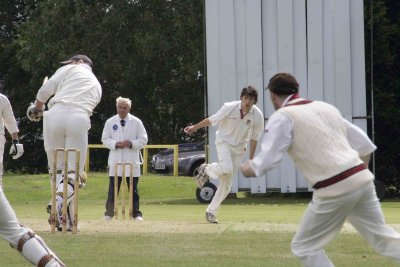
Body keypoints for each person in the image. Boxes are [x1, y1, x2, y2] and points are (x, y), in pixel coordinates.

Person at [240, 72, 400, 266]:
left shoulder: (282, 117)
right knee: (384, 239)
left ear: (272, 95)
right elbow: (365, 146)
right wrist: (356, 177)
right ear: (297, 90)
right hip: (362, 180)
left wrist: (250, 168)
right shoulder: (325, 108)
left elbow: (269, 159)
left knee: (304, 247)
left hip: (333, 188)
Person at [27, 54, 102, 231]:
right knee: (75, 173)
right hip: (79, 118)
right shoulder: (97, 85)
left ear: (80, 61)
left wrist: (36, 108)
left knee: (57, 170)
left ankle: (61, 216)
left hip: (54, 116)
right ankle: (59, 205)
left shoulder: (69, 68)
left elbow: (47, 89)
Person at [0, 94, 65, 266]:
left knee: (15, 231)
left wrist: (15, 140)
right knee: (16, 232)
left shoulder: (2, 100)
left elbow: (11, 122)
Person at [184, 86, 264, 223]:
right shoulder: (230, 107)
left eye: (250, 99)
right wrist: (194, 127)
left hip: (239, 149)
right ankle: (206, 169)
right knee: (226, 169)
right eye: (245, 98)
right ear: (241, 98)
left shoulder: (258, 116)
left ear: (254, 101)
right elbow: (213, 119)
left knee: (227, 185)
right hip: (224, 142)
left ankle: (211, 212)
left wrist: (251, 159)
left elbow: (254, 138)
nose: (247, 102)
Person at [102, 96, 148, 221]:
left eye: (125, 108)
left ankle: (136, 214)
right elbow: (105, 139)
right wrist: (116, 144)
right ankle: (109, 214)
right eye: (120, 107)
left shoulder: (136, 122)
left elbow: (144, 140)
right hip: (116, 160)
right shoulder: (110, 122)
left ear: (129, 108)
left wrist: (131, 143)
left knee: (133, 191)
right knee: (113, 190)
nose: (122, 110)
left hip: (131, 161)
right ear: (117, 107)